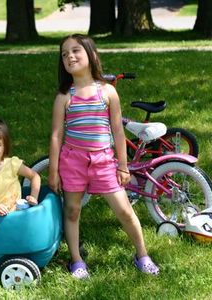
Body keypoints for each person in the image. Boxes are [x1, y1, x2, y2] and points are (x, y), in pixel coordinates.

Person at [48, 34, 159, 279]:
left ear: (92, 55)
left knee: (125, 210)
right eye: (64, 54)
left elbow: (117, 130)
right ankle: (76, 261)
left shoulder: (107, 92)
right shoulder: (64, 97)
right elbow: (56, 136)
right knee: (72, 210)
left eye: (75, 51)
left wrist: (123, 165)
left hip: (104, 162)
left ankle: (142, 254)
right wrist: (53, 171)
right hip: (73, 161)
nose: (70, 57)